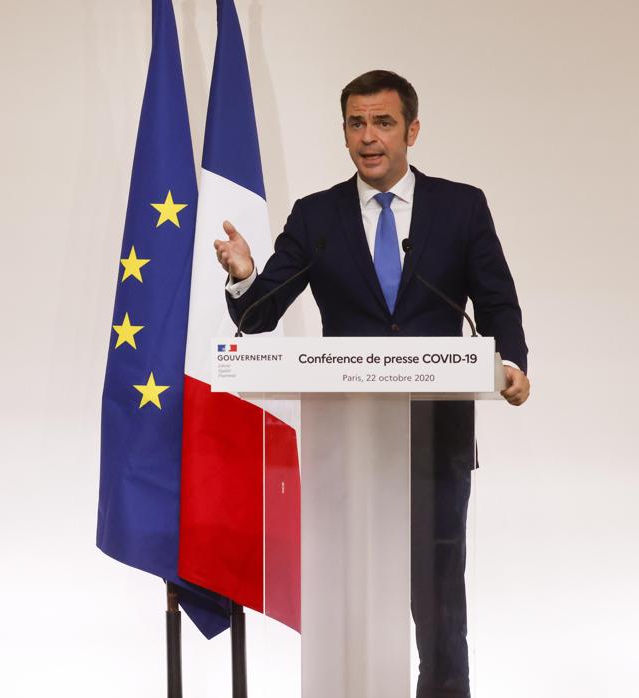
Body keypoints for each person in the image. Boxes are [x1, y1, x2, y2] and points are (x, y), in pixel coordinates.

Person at [213, 70, 529, 698]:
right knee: (347, 578)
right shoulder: (317, 215)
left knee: (437, 590)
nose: (369, 137)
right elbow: (258, 316)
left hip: (434, 430)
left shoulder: (461, 207)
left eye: (383, 123)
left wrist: (512, 362)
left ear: (412, 131)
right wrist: (246, 276)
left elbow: (496, 303)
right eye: (356, 123)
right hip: (347, 436)